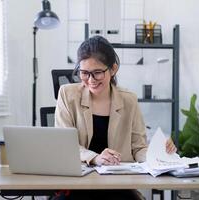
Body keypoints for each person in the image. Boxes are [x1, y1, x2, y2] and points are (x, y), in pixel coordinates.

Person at [54, 35, 176, 200]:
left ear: (113, 69)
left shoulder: (128, 100)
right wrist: (96, 158)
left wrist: (158, 153)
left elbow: (139, 148)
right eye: (84, 73)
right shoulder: (67, 95)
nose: (90, 80)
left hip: (118, 185)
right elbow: (64, 146)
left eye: (97, 73)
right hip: (77, 184)